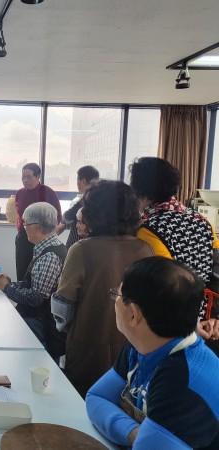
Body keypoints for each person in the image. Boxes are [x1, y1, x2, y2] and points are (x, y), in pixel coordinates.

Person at [86, 257, 219, 449]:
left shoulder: (182, 383)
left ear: (133, 314)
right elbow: (96, 397)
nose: (115, 301)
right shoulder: (145, 345)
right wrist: (134, 432)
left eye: (118, 295)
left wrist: (145, 436)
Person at [51, 180, 154, 397]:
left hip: (88, 345)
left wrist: (66, 330)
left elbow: (63, 307)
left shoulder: (82, 249)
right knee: (123, 403)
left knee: (85, 401)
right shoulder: (145, 249)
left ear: (94, 212)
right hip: (133, 347)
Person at [129, 157, 219, 327]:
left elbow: (162, 282)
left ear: (139, 190)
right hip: (206, 317)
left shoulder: (148, 230)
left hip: (173, 321)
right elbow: (217, 269)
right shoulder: (202, 221)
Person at [0, 202, 67, 362]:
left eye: (26, 224)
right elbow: (34, 285)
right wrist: (11, 284)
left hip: (41, 325)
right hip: (38, 320)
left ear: (37, 228)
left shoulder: (49, 256)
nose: (24, 227)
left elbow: (35, 298)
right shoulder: (47, 247)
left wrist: (6, 288)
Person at [14, 163, 62, 280]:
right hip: (24, 238)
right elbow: (19, 216)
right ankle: (20, 291)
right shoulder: (20, 193)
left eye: (29, 177)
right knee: (22, 272)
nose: (25, 180)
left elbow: (57, 217)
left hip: (42, 239)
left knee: (38, 274)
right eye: (23, 177)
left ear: (38, 176)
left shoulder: (48, 192)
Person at [57, 165, 99, 249]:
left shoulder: (88, 199)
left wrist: (64, 223)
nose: (77, 183)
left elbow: (68, 216)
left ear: (83, 181)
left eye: (77, 180)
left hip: (80, 243)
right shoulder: (101, 198)